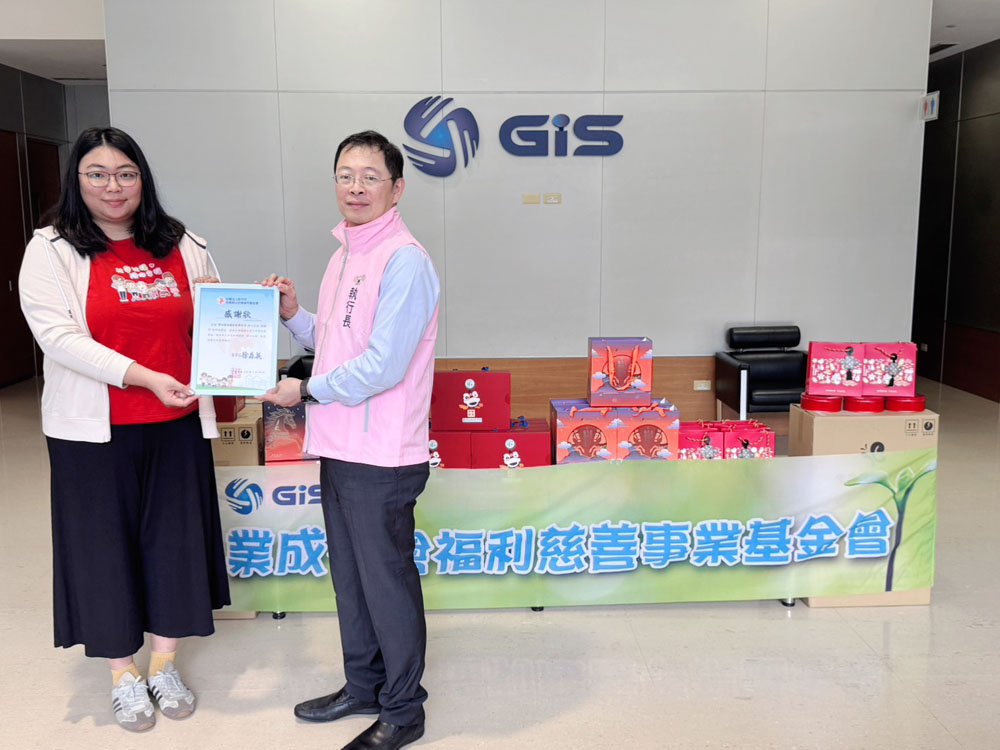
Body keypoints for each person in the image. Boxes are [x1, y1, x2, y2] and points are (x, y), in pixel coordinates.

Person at [18, 127, 230, 732]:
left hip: (177, 422)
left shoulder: (182, 242)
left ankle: (163, 664)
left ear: (143, 179)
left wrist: (247, 311)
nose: (113, 186)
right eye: (97, 174)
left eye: (126, 173)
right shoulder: (52, 249)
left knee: (173, 544)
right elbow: (59, 338)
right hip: (92, 430)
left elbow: (216, 319)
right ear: (77, 180)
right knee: (102, 548)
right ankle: (122, 674)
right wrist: (143, 376)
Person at [261, 130, 440, 750]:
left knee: (386, 584)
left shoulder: (404, 260)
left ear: (397, 187)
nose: (355, 187)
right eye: (345, 175)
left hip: (382, 453)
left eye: (370, 177)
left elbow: (384, 365)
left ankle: (404, 709)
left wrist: (303, 390)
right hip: (339, 445)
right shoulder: (344, 254)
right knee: (352, 579)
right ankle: (364, 686)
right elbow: (338, 342)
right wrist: (293, 315)